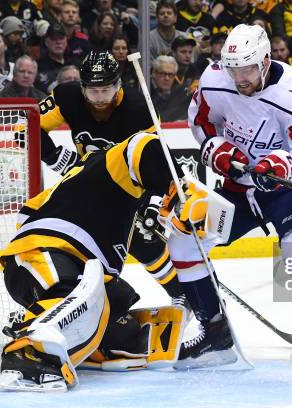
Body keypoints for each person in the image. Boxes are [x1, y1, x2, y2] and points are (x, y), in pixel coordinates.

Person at [168, 24, 292, 371]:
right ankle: (215, 332)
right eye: (234, 70)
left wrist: (280, 164)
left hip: (289, 190)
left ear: (265, 62)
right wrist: (217, 149)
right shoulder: (215, 80)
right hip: (240, 190)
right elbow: (201, 122)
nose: (240, 79)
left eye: (247, 70)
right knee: (184, 243)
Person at [0, 130, 191, 391]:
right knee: (71, 295)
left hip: (64, 266)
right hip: (43, 256)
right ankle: (25, 354)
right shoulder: (109, 162)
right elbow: (142, 145)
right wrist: (171, 191)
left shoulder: (77, 186)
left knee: (128, 336)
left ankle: (72, 339)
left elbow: (26, 215)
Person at [37, 50, 189, 309]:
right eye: (93, 91)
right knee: (80, 246)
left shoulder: (139, 110)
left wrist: (152, 202)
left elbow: (157, 160)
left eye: (106, 90)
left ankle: (181, 292)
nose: (99, 99)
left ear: (118, 85)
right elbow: (24, 125)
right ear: (82, 87)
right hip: (85, 186)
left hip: (130, 186)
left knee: (144, 242)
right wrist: (53, 156)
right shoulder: (67, 96)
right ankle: (79, 303)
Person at [151, 55, 191, 121]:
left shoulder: (180, 93)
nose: (167, 78)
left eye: (170, 75)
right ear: (154, 73)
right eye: (163, 73)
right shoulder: (144, 90)